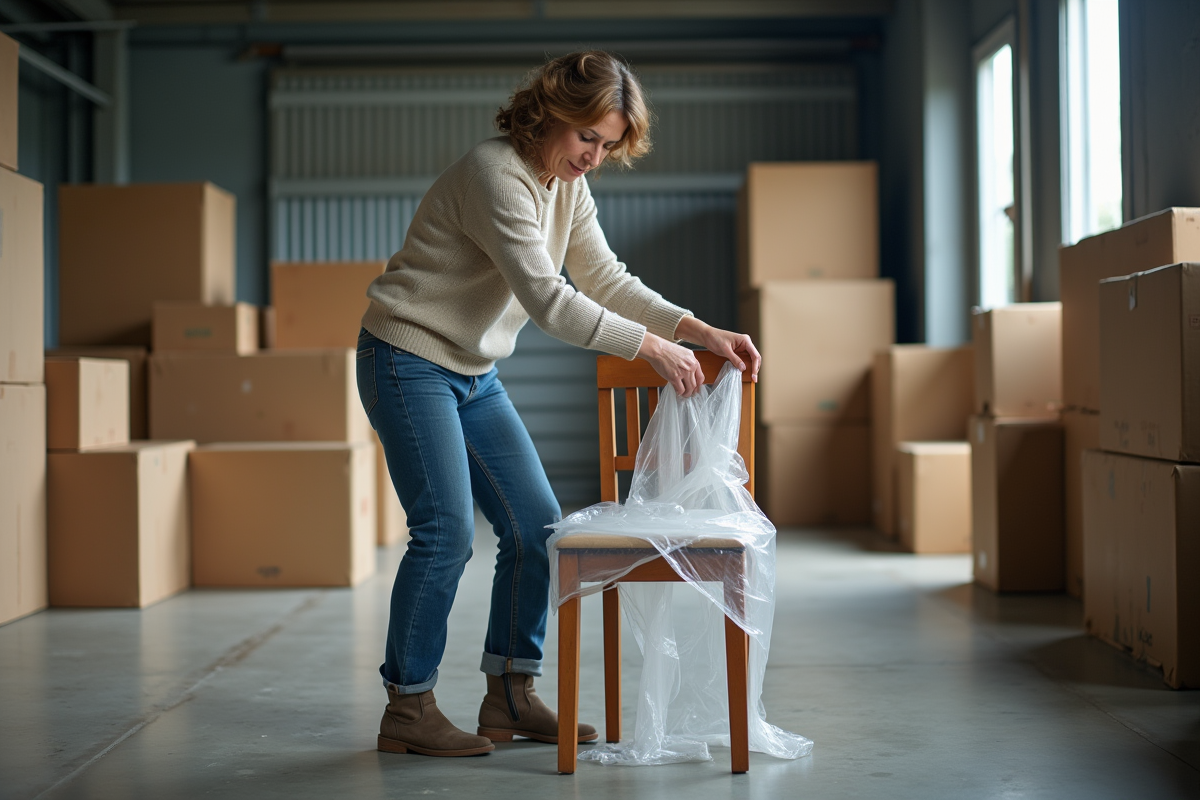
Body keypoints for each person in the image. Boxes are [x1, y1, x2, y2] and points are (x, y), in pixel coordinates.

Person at [357, 50, 761, 758]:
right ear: (549, 114)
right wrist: (652, 350)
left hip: (473, 371)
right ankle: (408, 707)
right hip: (409, 358)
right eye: (586, 138)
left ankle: (510, 694)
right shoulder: (497, 175)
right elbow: (548, 300)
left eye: (606, 146)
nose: (594, 158)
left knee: (536, 525)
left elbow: (604, 276)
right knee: (445, 532)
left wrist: (697, 331)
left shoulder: (562, 185)